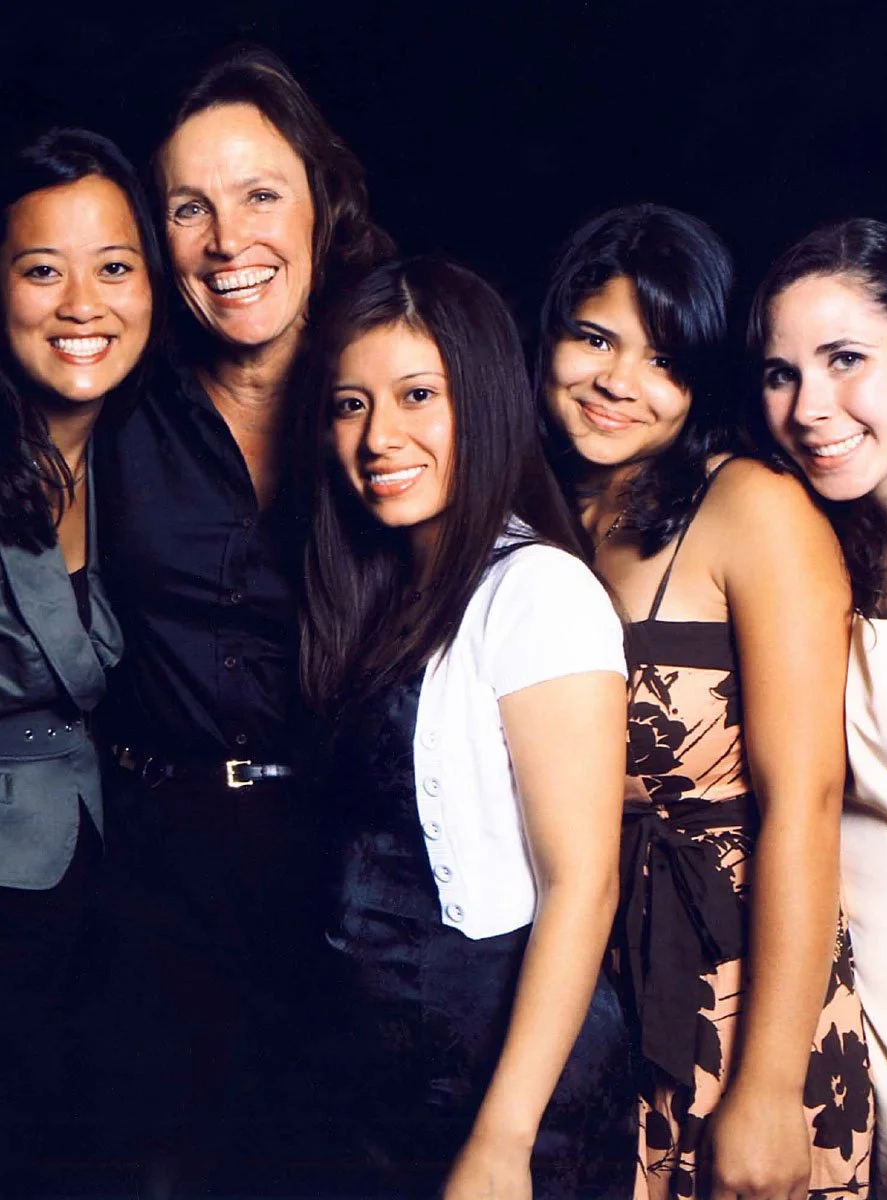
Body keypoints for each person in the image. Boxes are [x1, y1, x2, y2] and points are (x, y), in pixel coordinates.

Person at [92, 43, 393, 1191]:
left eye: (260, 195)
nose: (228, 242)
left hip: (355, 873)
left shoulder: (403, 397)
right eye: (189, 208)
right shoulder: (114, 401)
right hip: (150, 875)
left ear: (323, 202)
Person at [537, 203, 874, 1200]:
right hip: (583, 988)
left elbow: (805, 800)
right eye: (594, 337)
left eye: (663, 360)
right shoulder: (534, 511)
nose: (617, 381)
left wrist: (766, 1087)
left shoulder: (752, 506)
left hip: (740, 989)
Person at [299, 256, 636, 1199]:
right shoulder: (380, 594)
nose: (379, 437)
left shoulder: (538, 590)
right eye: (350, 405)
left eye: (418, 395)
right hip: (388, 1083)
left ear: (483, 403)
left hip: (507, 1091)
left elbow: (582, 885)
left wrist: (502, 1140)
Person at [750, 217, 887, 1199]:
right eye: (781, 374)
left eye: (845, 359)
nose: (809, 407)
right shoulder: (822, 558)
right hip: (852, 1096)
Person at [0, 127, 155, 1196]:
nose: (82, 305)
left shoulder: (149, 452)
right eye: (42, 270)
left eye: (113, 266)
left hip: (113, 873)